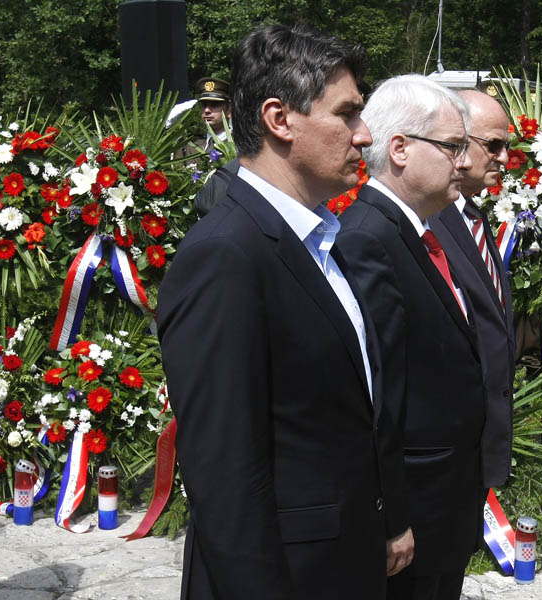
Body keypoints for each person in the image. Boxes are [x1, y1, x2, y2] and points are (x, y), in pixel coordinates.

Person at [157, 24, 411, 600]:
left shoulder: (323, 241)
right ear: (280, 119)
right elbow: (225, 477)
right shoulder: (225, 255)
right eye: (346, 114)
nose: (364, 134)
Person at [336, 74, 486, 600]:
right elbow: (377, 396)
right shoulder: (367, 238)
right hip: (412, 517)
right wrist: (391, 516)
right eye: (451, 147)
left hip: (442, 506)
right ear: (398, 148)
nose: (464, 163)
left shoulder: (413, 230)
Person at [427, 89, 515, 488]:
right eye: (493, 145)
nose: (504, 159)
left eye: (507, 146)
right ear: (457, 142)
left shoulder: (472, 216)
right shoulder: (429, 223)